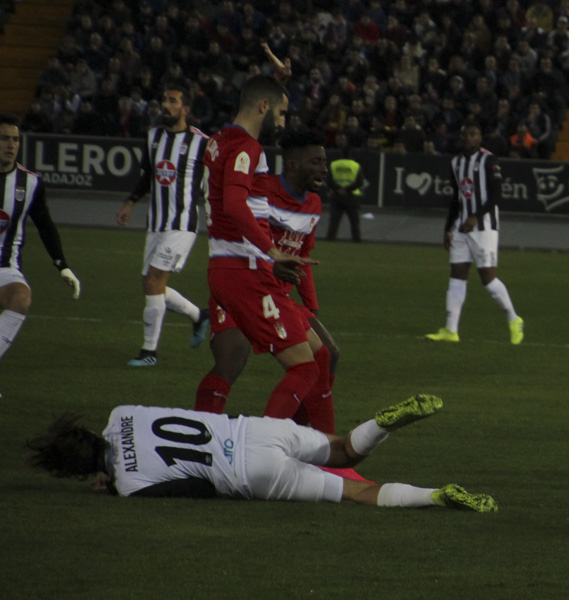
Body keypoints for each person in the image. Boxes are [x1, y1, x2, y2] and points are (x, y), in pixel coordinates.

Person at [27, 394, 498, 512]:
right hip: (254, 429)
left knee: (358, 494)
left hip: (249, 473)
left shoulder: (129, 488)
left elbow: (196, 488)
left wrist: (114, 484)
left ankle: (436, 496)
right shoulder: (121, 413)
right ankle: (383, 422)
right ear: (90, 431)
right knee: (343, 450)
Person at [197, 75, 322, 423]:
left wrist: (278, 80)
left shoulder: (219, 141)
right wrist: (274, 251)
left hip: (224, 267)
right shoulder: (247, 147)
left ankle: (197, 436)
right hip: (245, 270)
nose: (283, 123)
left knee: (237, 358)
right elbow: (235, 205)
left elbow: (234, 196)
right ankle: (266, 450)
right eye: (281, 112)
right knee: (305, 369)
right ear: (263, 107)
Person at [115, 81, 211, 367]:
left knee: (154, 281)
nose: (165, 106)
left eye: (172, 101)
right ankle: (198, 316)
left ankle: (149, 352)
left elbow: (211, 185)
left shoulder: (202, 143)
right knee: (151, 284)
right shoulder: (153, 137)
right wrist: (130, 201)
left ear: (185, 109)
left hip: (182, 224)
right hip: (156, 223)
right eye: (164, 100)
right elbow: (147, 177)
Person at [426, 121, 524, 345]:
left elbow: (496, 195)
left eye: (473, 134)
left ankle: (514, 318)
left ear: (479, 139)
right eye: (465, 135)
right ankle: (451, 330)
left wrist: (476, 217)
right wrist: (447, 228)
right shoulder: (456, 163)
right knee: (456, 277)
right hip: (461, 228)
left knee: (488, 280)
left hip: (484, 228)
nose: (468, 138)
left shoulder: (489, 160)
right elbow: (455, 199)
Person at [0, 113, 81, 369]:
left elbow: (46, 225)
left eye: (15, 139)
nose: (11, 145)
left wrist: (63, 266)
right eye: (4, 139)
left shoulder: (30, 183)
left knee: (21, 299)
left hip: (6, 268)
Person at [325, 150, 366, 243]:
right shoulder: (355, 165)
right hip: (352, 196)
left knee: (334, 222)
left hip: (336, 196)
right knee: (354, 222)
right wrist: (347, 190)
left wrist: (338, 189)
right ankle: (357, 241)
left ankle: (330, 240)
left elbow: (328, 181)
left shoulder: (334, 165)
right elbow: (360, 182)